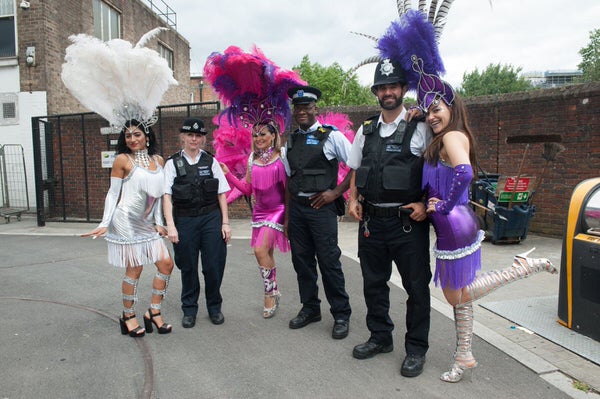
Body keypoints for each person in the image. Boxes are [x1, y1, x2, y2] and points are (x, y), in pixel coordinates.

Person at [413, 61, 557, 383]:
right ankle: (464, 355)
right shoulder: (449, 136)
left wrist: (443, 206)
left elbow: (465, 173)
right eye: (427, 111)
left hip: (453, 224)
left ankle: (521, 267)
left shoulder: (451, 137)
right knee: (461, 299)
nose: (431, 116)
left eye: (436, 108)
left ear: (452, 107)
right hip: (455, 222)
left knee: (455, 296)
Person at [346, 59, 432, 377]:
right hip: (371, 221)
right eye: (382, 87)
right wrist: (353, 197)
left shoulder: (420, 127)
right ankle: (380, 337)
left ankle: (416, 349)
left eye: (393, 86)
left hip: (407, 223)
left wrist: (427, 203)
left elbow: (441, 169)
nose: (388, 92)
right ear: (376, 93)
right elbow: (356, 168)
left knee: (417, 288)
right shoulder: (366, 130)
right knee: (374, 284)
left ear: (403, 89)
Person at [82, 120, 174, 337]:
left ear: (147, 136)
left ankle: (154, 311)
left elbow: (158, 195)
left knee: (166, 264)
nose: (132, 139)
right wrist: (104, 223)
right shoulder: (123, 160)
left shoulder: (159, 160)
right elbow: (113, 193)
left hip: (146, 223)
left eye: (137, 134)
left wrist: (159, 222)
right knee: (135, 268)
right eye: (128, 136)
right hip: (126, 220)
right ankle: (128, 315)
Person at [285, 85, 352, 340]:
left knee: (329, 262)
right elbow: (290, 180)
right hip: (299, 210)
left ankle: (341, 314)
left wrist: (336, 193)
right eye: (297, 107)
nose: (301, 111)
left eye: (306, 107)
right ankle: (310, 308)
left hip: (322, 210)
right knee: (302, 261)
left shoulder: (331, 136)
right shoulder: (291, 139)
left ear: (316, 109)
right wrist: (289, 219)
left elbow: (356, 164)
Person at [163, 118, 232, 329]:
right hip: (184, 220)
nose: (194, 139)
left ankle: (214, 307)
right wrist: (171, 226)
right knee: (188, 266)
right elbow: (166, 196)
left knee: (213, 266)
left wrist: (225, 223)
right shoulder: (172, 163)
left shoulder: (210, 161)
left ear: (203, 139)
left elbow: (221, 194)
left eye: (198, 136)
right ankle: (189, 309)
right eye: (190, 135)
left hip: (211, 218)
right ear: (183, 137)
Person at [219, 121, 290, 318]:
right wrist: (228, 175)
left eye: (263, 134)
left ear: (274, 136)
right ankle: (275, 290)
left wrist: (289, 217)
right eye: (255, 135)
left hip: (278, 210)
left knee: (259, 250)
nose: (258, 138)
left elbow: (290, 188)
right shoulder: (252, 159)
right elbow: (247, 189)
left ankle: (269, 294)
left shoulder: (283, 156)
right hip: (259, 212)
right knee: (267, 252)